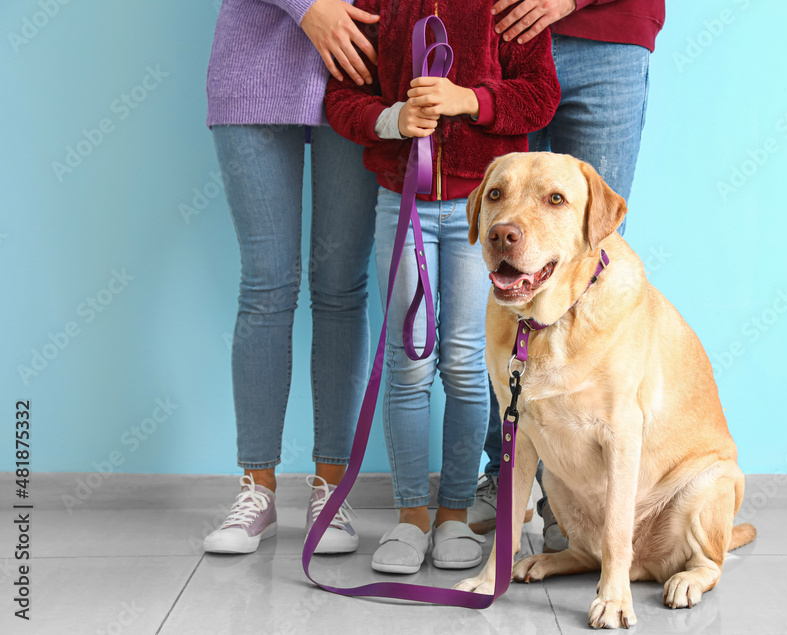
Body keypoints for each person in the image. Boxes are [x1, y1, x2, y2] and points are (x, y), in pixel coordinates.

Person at [324, 0, 559, 573]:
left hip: (483, 212)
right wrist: (392, 119)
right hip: (400, 204)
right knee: (407, 361)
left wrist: (470, 100)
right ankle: (411, 518)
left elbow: (540, 94)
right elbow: (340, 99)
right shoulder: (374, 7)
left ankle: (455, 513)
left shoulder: (504, 7)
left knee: (464, 360)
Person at [468, 0, 665, 552]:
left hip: (607, 35)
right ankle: (503, 473)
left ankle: (567, 496)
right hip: (496, 38)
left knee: (585, 259)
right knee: (512, 261)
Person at [202, 0, 388, 555]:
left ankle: (331, 492)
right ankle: (256, 490)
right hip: (252, 68)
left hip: (359, 72)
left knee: (339, 289)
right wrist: (306, 8)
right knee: (265, 287)